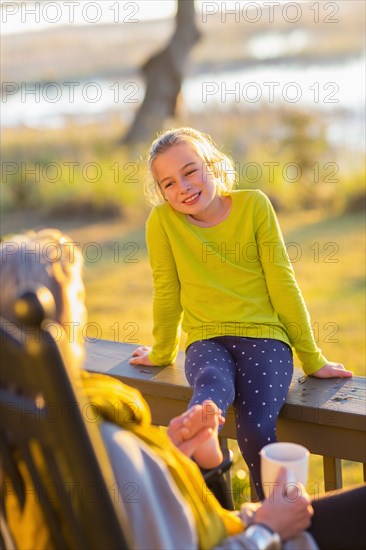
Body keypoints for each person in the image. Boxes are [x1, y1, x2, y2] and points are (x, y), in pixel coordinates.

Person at [1, 229, 365, 550]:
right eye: (80, 298)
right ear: (66, 319)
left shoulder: (24, 426)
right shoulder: (105, 446)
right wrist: (269, 527)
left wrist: (178, 459)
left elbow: (153, 522)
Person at [129, 127, 353, 498]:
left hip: (265, 338)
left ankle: (270, 517)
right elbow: (167, 292)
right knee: (210, 386)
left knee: (255, 431)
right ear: (160, 192)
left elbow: (283, 284)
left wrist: (312, 359)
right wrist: (162, 352)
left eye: (190, 171)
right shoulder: (162, 223)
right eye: (168, 183)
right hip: (205, 338)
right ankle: (211, 475)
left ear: (213, 165)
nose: (182, 187)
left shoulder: (254, 206)